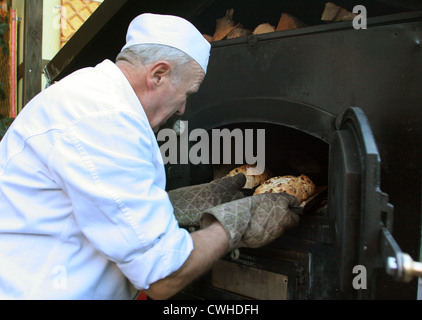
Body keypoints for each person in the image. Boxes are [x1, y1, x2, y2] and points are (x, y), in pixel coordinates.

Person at [0, 13, 300, 300]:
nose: (183, 109)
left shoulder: (92, 96)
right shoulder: (104, 118)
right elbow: (163, 277)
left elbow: (104, 204)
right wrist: (236, 223)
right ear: (158, 74)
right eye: (188, 92)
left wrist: (178, 206)